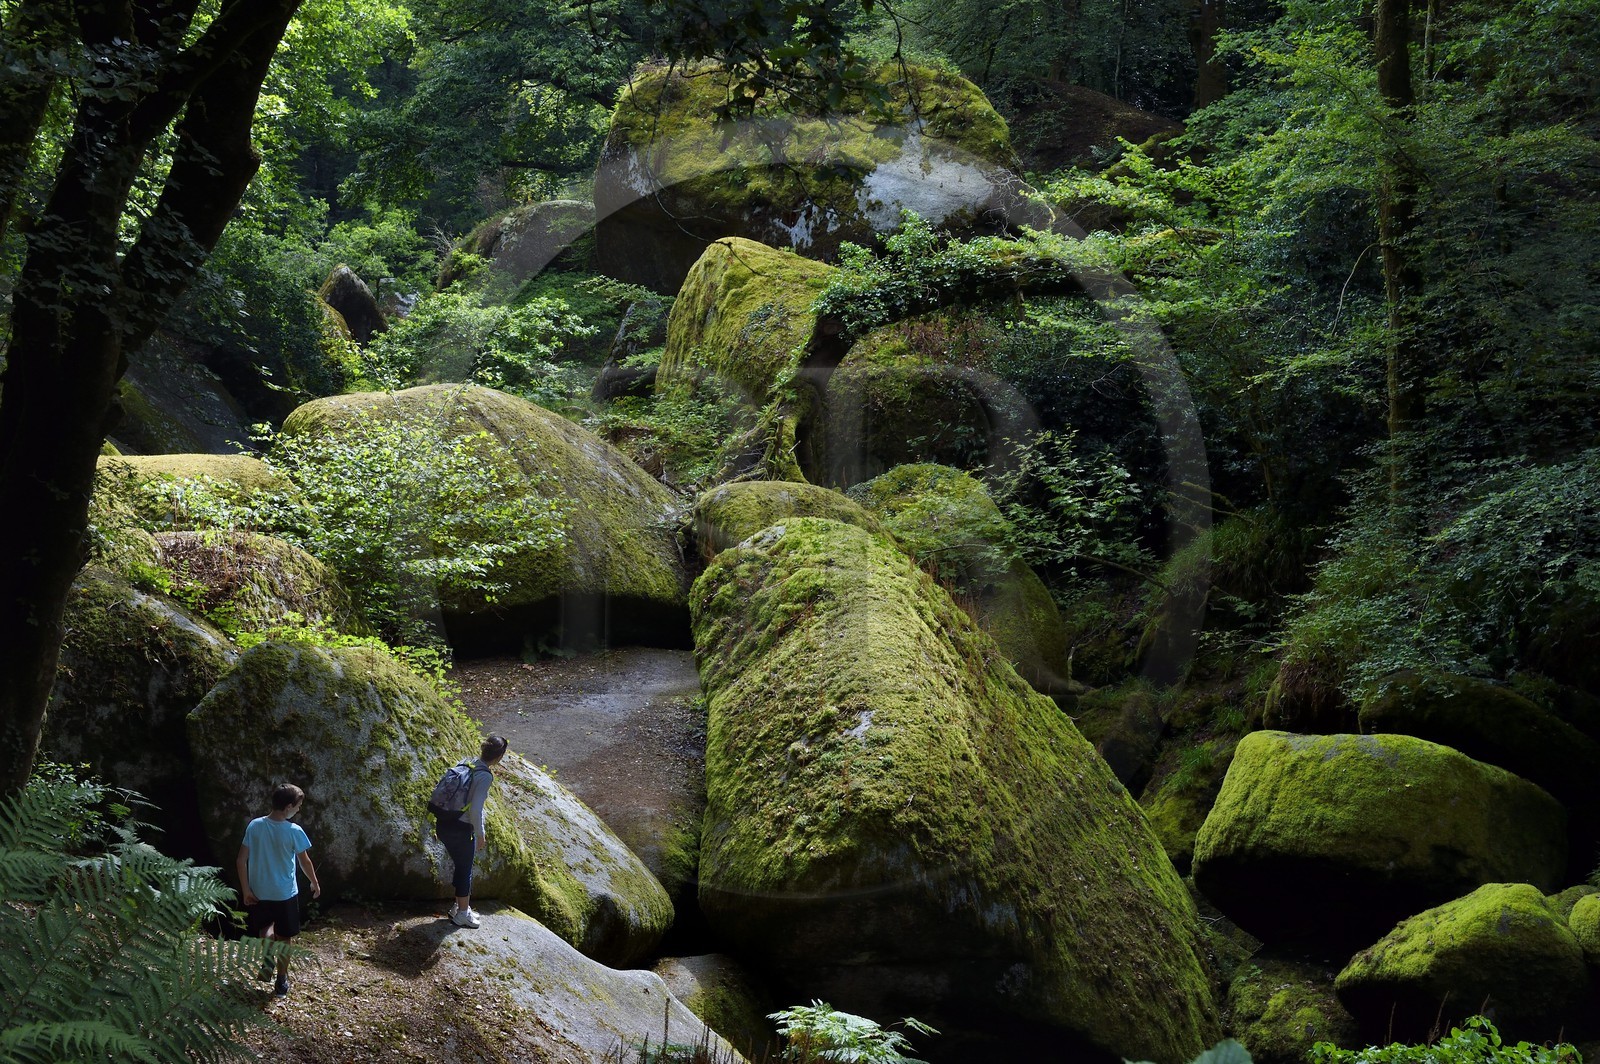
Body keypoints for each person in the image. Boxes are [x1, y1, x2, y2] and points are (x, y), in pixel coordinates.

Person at [236, 783, 321, 997]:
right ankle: (281, 981)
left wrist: (246, 890)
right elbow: (305, 862)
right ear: (288, 807)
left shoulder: (254, 825)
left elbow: (240, 860)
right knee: (284, 937)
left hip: (259, 891)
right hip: (285, 894)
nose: (299, 810)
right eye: (298, 806)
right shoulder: (294, 831)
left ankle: (267, 959)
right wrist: (314, 882)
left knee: (265, 927)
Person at [435, 734, 508, 929]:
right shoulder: (484, 776)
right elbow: (476, 810)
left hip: (443, 822)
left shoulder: (466, 762)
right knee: (465, 869)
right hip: (461, 829)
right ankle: (462, 914)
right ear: (499, 756)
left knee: (461, 865)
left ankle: (459, 907)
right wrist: (480, 833)